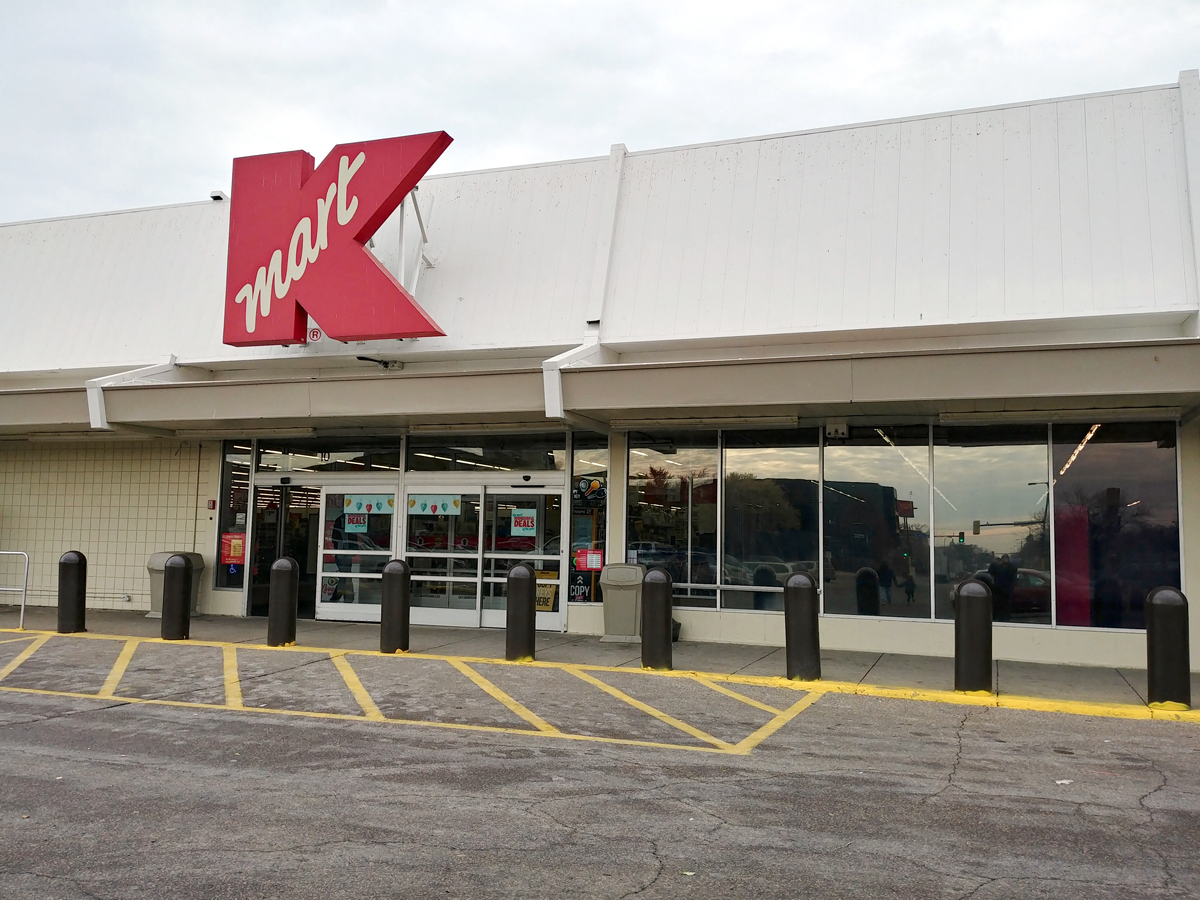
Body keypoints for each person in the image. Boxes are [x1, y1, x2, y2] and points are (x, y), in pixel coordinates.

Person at [989, 554, 1017, 622]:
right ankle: (999, 617)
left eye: (1006, 558)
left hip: (1007, 589)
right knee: (999, 604)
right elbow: (991, 572)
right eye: (1004, 558)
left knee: (1006, 604)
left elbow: (1013, 572)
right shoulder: (998, 567)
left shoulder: (1011, 567)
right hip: (999, 589)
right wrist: (993, 563)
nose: (1005, 560)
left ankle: (1006, 617)